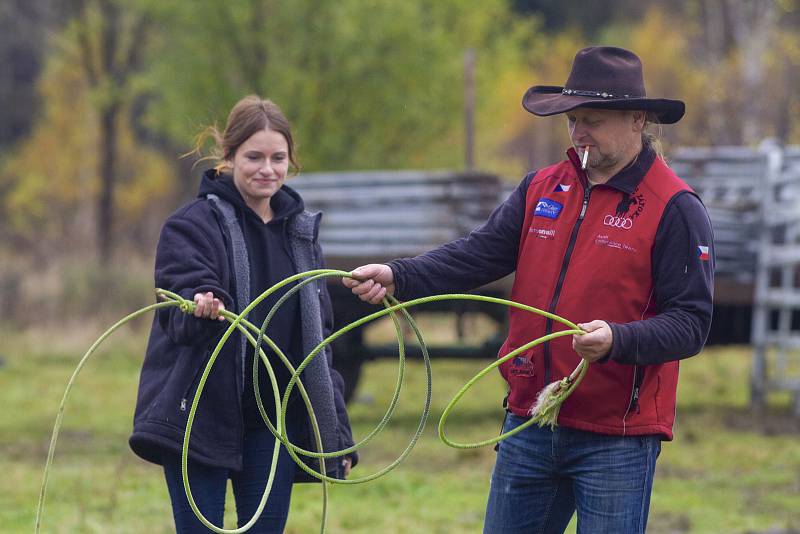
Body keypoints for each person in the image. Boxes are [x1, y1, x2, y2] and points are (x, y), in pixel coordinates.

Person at [343, 46, 714, 533]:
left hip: (616, 438)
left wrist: (617, 341)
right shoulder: (542, 188)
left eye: (592, 120)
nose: (578, 132)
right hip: (530, 419)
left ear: (637, 119)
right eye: (572, 119)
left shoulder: (674, 207)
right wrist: (400, 276)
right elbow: (478, 254)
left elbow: (691, 323)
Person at [130, 95, 357, 533]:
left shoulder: (301, 235)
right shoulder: (190, 225)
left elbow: (320, 345)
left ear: (291, 162)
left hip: (271, 424)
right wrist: (201, 302)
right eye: (253, 157)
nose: (266, 169)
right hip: (200, 415)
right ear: (228, 156)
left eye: (278, 158)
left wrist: (338, 435)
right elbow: (177, 299)